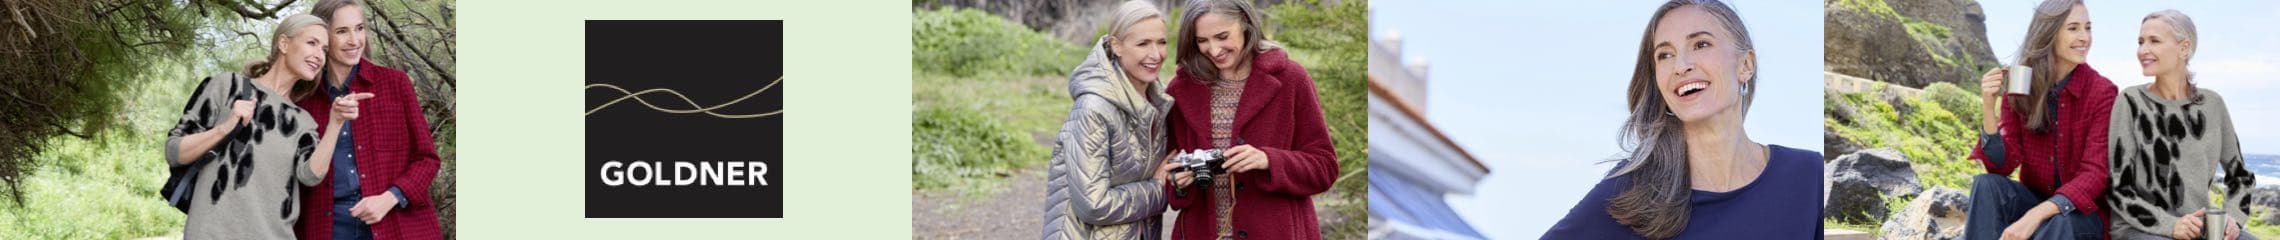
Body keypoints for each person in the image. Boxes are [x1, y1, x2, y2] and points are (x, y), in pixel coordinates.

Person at [1541, 1, 1823, 238]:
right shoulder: (1630, 189)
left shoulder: (1809, 176)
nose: (1680, 66)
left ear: (1746, 65)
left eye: (1701, 44)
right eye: (1665, 55)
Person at [1157, 0, 1339, 239]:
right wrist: (1179, 182)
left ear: (1245, 24)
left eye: (1222, 36)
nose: (1214, 49)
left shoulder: (1291, 79)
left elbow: (1324, 168)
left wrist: (1268, 160)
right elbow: (1169, 171)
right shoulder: (1180, 89)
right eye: (1202, 40)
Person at [165, 14, 345, 240]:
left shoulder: (302, 121)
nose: (319, 55)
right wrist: (224, 128)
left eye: (324, 50)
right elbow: (174, 152)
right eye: (312, 43)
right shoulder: (227, 86)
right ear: (284, 43)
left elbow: (310, 176)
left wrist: (336, 123)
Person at [293, 0, 446, 239]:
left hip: (395, 222)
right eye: (342, 31)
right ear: (323, 37)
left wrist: (391, 197)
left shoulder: (395, 84)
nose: (354, 40)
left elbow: (428, 158)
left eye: (359, 28)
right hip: (327, 228)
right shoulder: (303, 100)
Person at [1964, 0, 2117, 239]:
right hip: (2035, 198)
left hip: (2081, 215)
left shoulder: (2102, 92)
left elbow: (2095, 174)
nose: (2085, 37)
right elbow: (2000, 167)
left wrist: (2035, 216)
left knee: (2062, 222)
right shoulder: (2021, 84)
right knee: (1986, 185)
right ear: (2049, 33)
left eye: (2088, 28)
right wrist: (1988, 107)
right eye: (2073, 28)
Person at [2105, 9, 2255, 240]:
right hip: (2141, 229)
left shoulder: (2212, 104)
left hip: (2199, 229)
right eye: (2141, 42)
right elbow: (2117, 188)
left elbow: (2241, 177)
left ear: (2184, 48)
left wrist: (2232, 219)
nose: (2143, 50)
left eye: (2154, 41)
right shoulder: (2130, 101)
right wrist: (2170, 225)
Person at [1041, 0, 1175, 239]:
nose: (1156, 54)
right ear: (1117, 45)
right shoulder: (1093, 110)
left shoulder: (1159, 103)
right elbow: (1094, 205)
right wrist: (1157, 189)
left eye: (1161, 42)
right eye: (1143, 43)